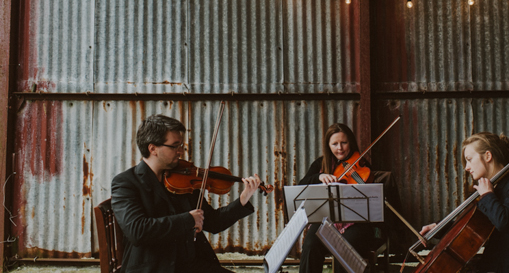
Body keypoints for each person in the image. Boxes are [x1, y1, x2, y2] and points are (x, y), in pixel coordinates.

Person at [111, 114, 262, 273]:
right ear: (153, 148)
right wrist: (188, 219)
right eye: (175, 146)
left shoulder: (183, 178)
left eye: (181, 145)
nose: (181, 151)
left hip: (189, 264)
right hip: (154, 267)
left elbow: (212, 222)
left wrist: (243, 199)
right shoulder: (126, 182)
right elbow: (137, 231)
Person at [420, 132, 509, 273]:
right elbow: (473, 227)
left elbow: (504, 221)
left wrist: (487, 195)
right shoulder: (495, 186)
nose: (466, 167)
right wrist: (438, 227)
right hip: (499, 263)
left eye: (469, 159)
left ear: (487, 156)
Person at [298, 123, 378, 273]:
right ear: (328, 145)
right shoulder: (320, 164)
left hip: (356, 223)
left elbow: (372, 197)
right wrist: (319, 176)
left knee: (344, 249)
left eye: (344, 143)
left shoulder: (362, 165)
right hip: (325, 220)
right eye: (334, 144)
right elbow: (301, 186)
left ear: (351, 143)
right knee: (310, 245)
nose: (339, 148)